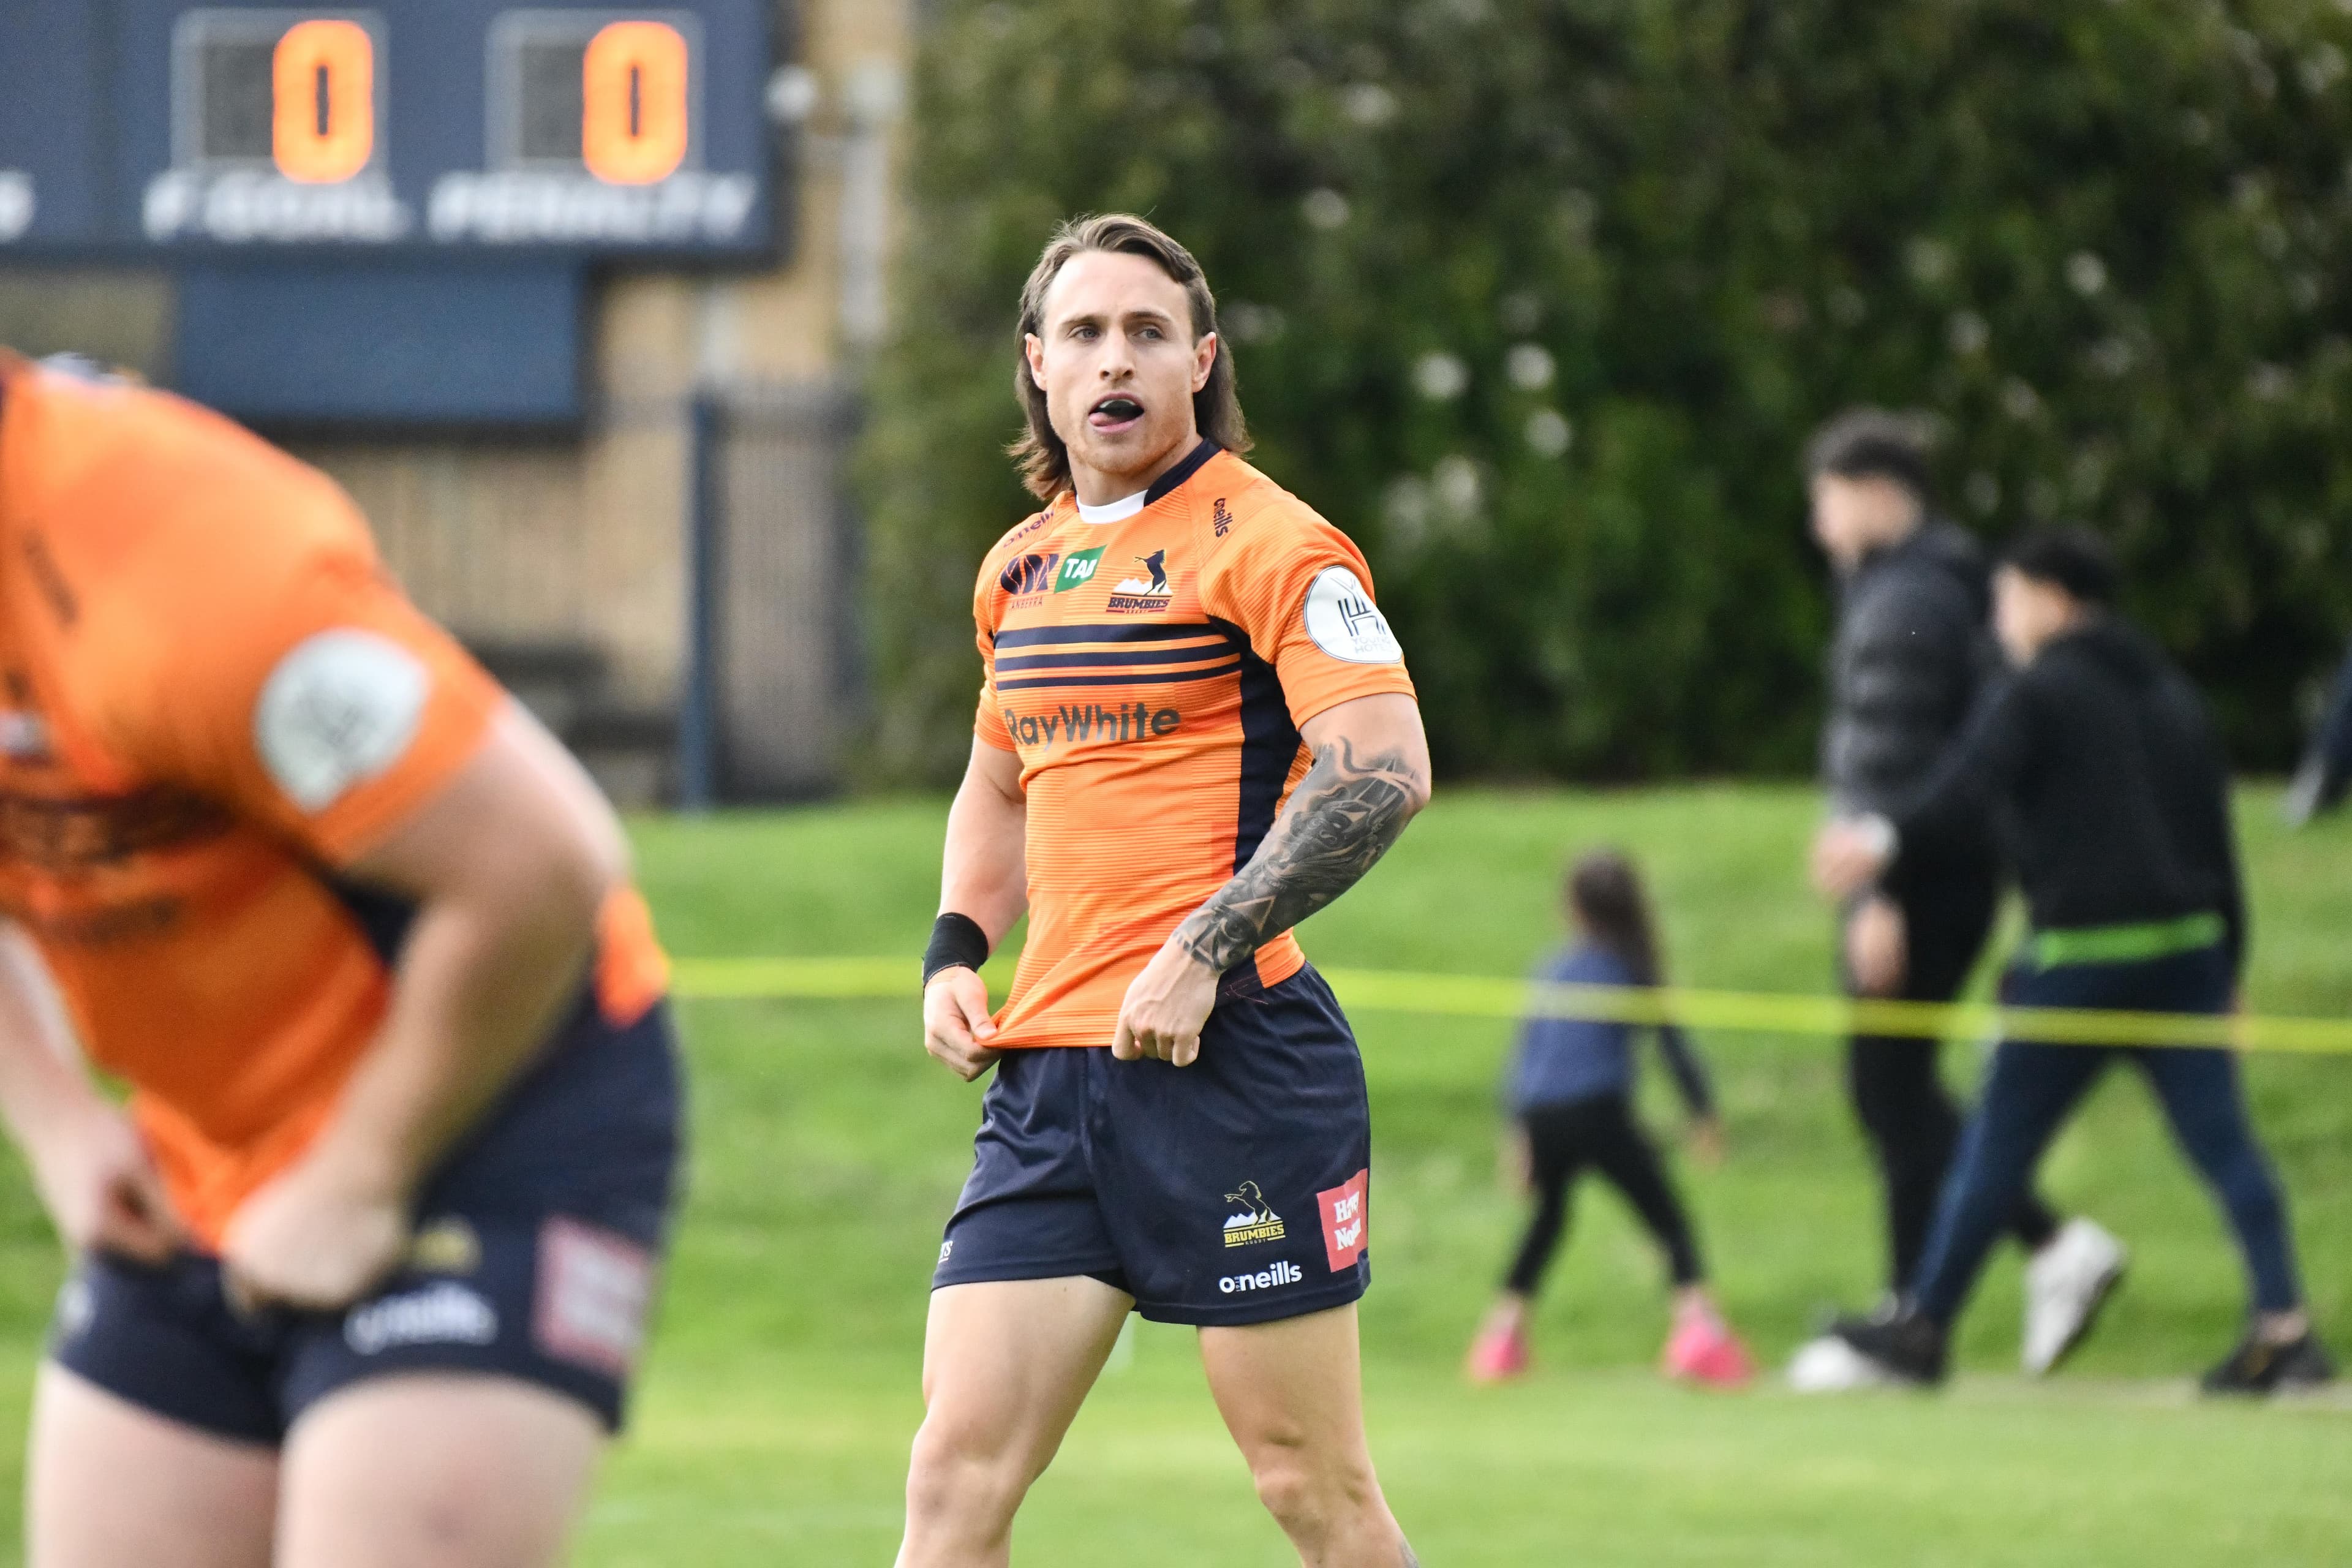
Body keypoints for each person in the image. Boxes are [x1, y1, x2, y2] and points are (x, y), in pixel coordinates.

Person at [0, 350, 682, 1567]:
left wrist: (360, 1171)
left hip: (498, 1090)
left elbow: (539, 868)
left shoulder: (172, 565)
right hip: (205, 1154)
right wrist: (55, 1120)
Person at [900, 214, 1431, 1568]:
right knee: (954, 1483)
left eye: (1147, 331)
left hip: (1237, 1063)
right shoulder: (1017, 568)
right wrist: (957, 947)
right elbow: (1001, 783)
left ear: (1200, 359)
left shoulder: (1272, 542)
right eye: (1084, 333)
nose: (1114, 359)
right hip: (1050, 1086)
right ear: (1038, 365)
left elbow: (1384, 767)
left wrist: (1208, 939)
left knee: (1310, 1486)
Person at [1814, 527, 2332, 1395]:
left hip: (2081, 962)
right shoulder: (2171, 696)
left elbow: (1964, 789)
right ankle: (2285, 1333)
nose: (2000, 618)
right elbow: (2216, 842)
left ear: (2054, 599)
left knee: (1994, 1148)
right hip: (2187, 956)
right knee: (2228, 1149)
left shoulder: (2037, 692)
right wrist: (2231, 961)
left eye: (2010, 599)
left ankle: (1926, 1325)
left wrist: (1880, 838)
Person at [1791, 409, 2123, 1390]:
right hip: (1937, 872)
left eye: (1827, 498)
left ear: (1879, 492)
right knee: (1897, 1089)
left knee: (1889, 1088)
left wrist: (1878, 893)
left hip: (1917, 880)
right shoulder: (1926, 582)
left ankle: (2025, 1259)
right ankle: (1920, 1310)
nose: (1820, 523)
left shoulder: (1913, 594)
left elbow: (1896, 753)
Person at [1464, 851, 1754, 1388]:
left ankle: (1500, 1338)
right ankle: (1699, 1333)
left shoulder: (1553, 970)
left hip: (1544, 1116)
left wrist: (1518, 1134)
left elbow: (1524, 1060)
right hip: (1598, 1111)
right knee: (1667, 1218)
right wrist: (1704, 1114)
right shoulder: (1631, 968)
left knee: (1548, 1219)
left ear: (1573, 909)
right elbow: (1671, 1047)